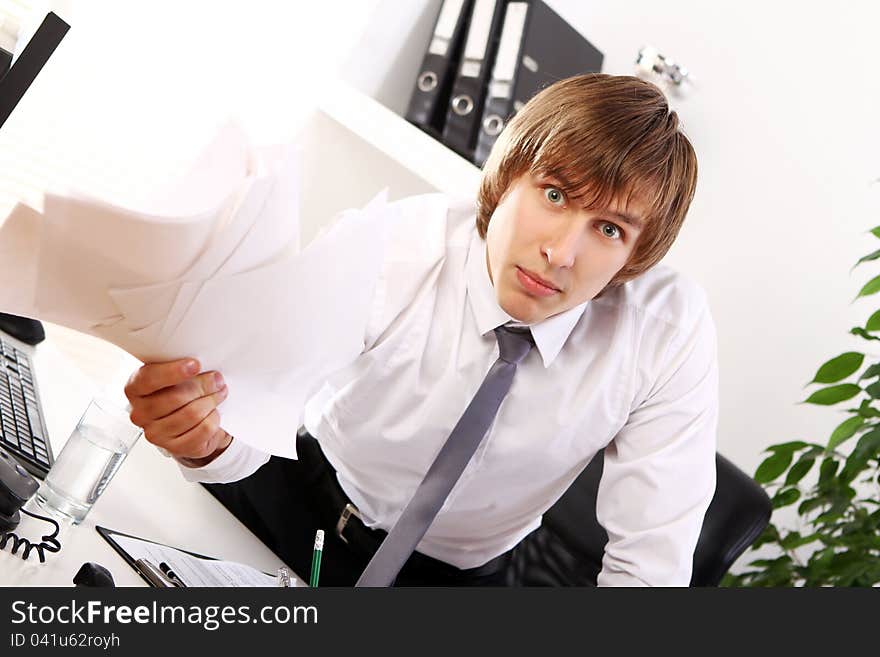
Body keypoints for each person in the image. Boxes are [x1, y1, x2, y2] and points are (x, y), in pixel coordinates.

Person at [124, 74, 718, 586]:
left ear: (636, 258)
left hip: (457, 578)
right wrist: (202, 439)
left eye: (610, 229)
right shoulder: (397, 242)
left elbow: (650, 568)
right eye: (555, 194)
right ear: (509, 175)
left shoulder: (665, 333)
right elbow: (261, 401)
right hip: (301, 495)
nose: (560, 253)